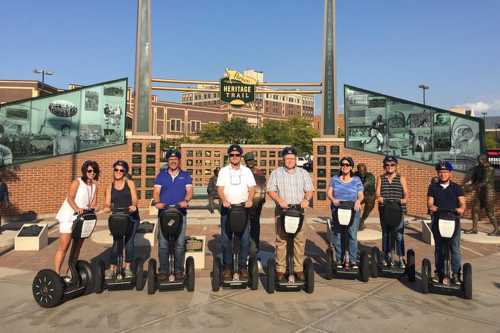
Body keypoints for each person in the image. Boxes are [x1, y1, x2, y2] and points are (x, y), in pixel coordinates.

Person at [267, 146, 314, 281]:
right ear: (283, 159)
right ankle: (280, 269)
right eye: (287, 158)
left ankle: (298, 269)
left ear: (295, 159)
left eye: (292, 158)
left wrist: (306, 199)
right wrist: (279, 199)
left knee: (299, 240)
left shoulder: (303, 173)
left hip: (299, 211)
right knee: (281, 240)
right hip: (283, 211)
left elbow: (310, 190)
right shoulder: (276, 173)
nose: (290, 161)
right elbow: (271, 190)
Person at [217, 144, 256, 279]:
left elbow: (252, 188)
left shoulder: (246, 171)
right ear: (229, 157)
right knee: (226, 239)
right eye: (232, 155)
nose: (234, 157)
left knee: (245, 239)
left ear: (241, 157)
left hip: (242, 209)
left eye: (237, 155)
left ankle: (242, 267)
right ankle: (227, 266)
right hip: (227, 209)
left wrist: (250, 199)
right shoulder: (223, 171)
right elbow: (220, 189)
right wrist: (224, 200)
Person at [54, 160, 99, 278]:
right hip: (69, 216)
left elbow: (93, 204)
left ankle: (71, 272)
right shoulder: (77, 182)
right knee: (64, 246)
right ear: (85, 171)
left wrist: (94, 207)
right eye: (89, 170)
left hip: (81, 219)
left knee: (77, 247)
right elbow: (70, 198)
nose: (92, 173)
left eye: (94, 171)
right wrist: (77, 208)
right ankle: (56, 274)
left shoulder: (94, 186)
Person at [153, 149, 193, 280]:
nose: (173, 161)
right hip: (164, 213)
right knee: (163, 243)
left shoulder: (185, 175)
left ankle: (178, 270)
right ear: (168, 161)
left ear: (179, 161)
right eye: (170, 159)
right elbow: (156, 192)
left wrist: (186, 201)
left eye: (175, 159)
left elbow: (189, 191)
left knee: (180, 243)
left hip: (180, 213)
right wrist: (157, 202)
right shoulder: (161, 175)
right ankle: (163, 270)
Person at [427, 160, 466, 284]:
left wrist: (461, 209)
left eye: (445, 172)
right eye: (440, 172)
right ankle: (438, 272)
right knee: (439, 248)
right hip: (438, 219)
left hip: (453, 220)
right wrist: (432, 207)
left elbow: (462, 203)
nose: (442, 174)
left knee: (454, 248)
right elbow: (430, 203)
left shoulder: (456, 187)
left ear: (450, 173)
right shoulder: (433, 187)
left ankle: (455, 273)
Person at [103, 160, 139, 279]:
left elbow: (134, 198)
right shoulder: (109, 186)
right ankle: (112, 267)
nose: (118, 172)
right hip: (117, 218)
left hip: (131, 217)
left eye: (121, 170)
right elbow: (107, 202)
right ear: (113, 171)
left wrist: (133, 206)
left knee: (129, 243)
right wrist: (107, 208)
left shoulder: (129, 183)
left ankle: (128, 267)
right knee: (116, 243)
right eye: (116, 170)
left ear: (125, 172)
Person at [327, 156, 364, 269]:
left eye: (347, 165)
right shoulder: (335, 179)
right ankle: (339, 259)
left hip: (353, 209)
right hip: (338, 209)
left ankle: (352, 260)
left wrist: (358, 201)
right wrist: (333, 200)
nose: (345, 166)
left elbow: (361, 194)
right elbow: (329, 193)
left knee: (352, 234)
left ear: (351, 167)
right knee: (338, 234)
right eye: (343, 164)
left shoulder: (357, 180)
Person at [375, 156, 409, 267]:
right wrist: (379, 198)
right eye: (387, 165)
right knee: (386, 234)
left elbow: (406, 193)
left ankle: (400, 257)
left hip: (398, 210)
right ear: (384, 166)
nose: (390, 167)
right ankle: (386, 255)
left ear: (396, 166)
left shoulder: (401, 178)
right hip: (385, 210)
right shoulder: (380, 178)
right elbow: (377, 193)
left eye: (392, 165)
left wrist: (404, 200)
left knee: (398, 234)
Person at [464, 154, 499, 236]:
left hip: (488, 192)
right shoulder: (478, 168)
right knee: (475, 209)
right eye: (479, 160)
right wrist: (468, 185)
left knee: (489, 212)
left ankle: (497, 229)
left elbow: (485, 182)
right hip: (479, 192)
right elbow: (474, 179)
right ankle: (474, 228)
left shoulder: (489, 169)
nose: (479, 161)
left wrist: (472, 188)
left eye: (481, 160)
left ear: (485, 160)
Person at [244, 152, 266, 255]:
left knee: (255, 225)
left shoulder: (259, 172)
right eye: (248, 161)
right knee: (244, 225)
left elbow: (262, 186)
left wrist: (262, 199)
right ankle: (245, 246)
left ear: (254, 161)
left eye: (251, 160)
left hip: (257, 203)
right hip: (244, 202)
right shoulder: (243, 172)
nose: (250, 162)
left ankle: (255, 247)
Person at [355, 163, 375, 231]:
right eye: (360, 170)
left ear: (366, 170)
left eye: (363, 170)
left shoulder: (370, 176)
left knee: (368, 208)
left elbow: (364, 185)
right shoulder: (355, 175)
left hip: (369, 196)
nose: (361, 172)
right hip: (360, 195)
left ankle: (362, 220)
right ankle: (356, 221)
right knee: (356, 205)